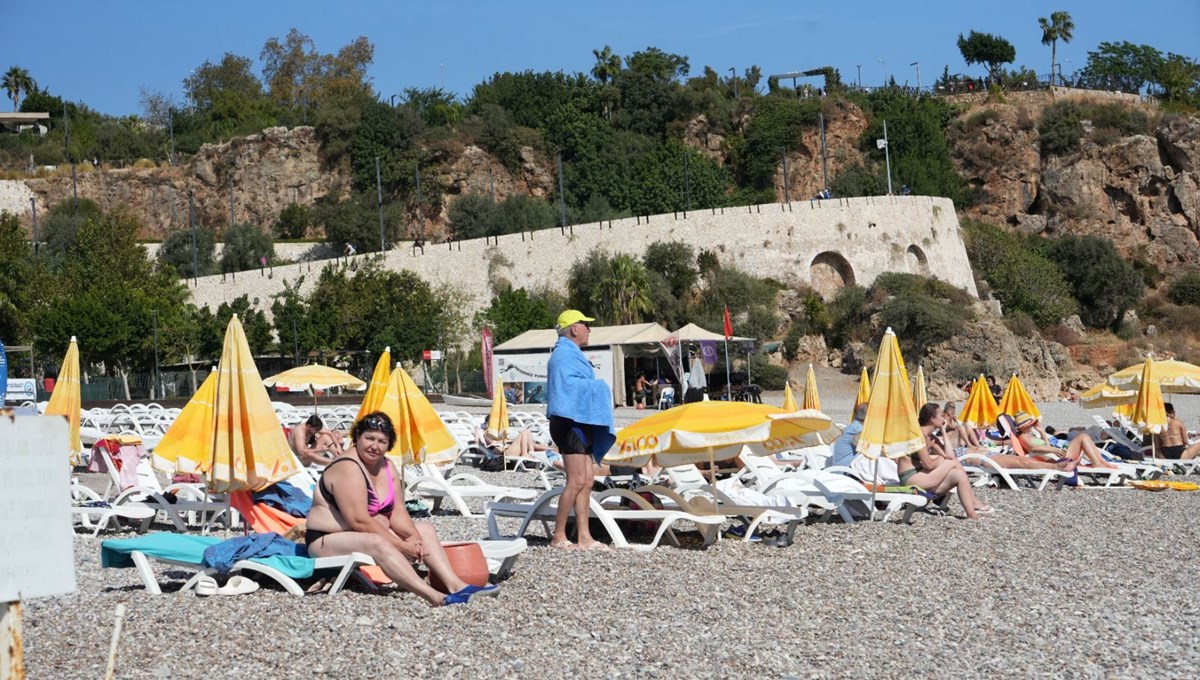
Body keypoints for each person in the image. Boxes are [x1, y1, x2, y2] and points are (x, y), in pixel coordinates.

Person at [305, 412, 498, 606]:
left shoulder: (387, 466)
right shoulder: (348, 467)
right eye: (369, 438)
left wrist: (414, 538)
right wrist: (402, 546)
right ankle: (434, 597)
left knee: (424, 529)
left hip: (363, 534)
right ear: (357, 438)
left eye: (382, 441)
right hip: (326, 539)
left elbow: (397, 510)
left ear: (389, 444)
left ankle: (456, 585)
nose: (374, 446)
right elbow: (359, 520)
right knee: (377, 542)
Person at [546, 309, 617, 551]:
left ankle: (584, 536)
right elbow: (567, 388)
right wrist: (598, 387)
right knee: (575, 481)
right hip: (568, 422)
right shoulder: (562, 355)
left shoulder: (572, 353)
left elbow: (574, 386)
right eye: (585, 324)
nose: (589, 329)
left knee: (587, 481)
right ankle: (558, 535)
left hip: (580, 421)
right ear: (574, 328)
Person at [1010, 411, 1118, 469]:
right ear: (1024, 426)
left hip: (1055, 454)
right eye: (1030, 424)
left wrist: (1042, 432)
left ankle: (1100, 462)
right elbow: (1033, 449)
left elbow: (1046, 445)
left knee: (1085, 437)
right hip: (1054, 458)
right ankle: (1097, 463)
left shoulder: (1029, 434)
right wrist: (1054, 450)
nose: (1032, 426)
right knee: (1083, 437)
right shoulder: (1022, 437)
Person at [827, 403, 866, 468]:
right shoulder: (857, 429)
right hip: (845, 471)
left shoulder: (854, 426)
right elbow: (869, 447)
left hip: (839, 467)